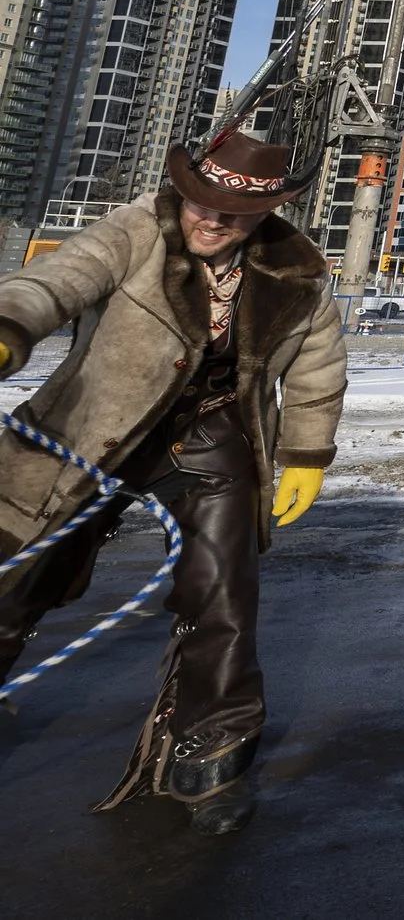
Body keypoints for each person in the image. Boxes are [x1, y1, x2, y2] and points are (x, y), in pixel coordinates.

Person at [0, 130, 345, 835]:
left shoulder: (298, 272)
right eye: (200, 204)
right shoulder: (136, 227)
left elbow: (317, 367)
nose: (211, 221)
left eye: (233, 213)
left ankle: (211, 751)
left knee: (223, 588)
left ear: (268, 213)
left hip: (212, 433)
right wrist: (8, 325)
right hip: (97, 425)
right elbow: (59, 280)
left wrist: (307, 453)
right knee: (29, 565)